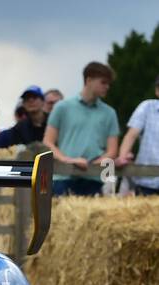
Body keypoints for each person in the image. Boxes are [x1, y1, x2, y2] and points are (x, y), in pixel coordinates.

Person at [45, 61, 119, 197]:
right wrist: (67, 160)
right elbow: (48, 142)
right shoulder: (62, 107)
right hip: (63, 177)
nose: (107, 87)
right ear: (89, 80)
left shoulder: (110, 113)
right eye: (103, 82)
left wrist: (93, 164)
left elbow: (112, 151)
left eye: (108, 84)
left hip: (93, 179)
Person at [119, 75, 159, 196]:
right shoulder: (147, 107)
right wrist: (122, 157)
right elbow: (131, 135)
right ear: (157, 91)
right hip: (146, 182)